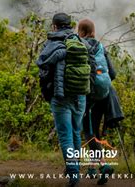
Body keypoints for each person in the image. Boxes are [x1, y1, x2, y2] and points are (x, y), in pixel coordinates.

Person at [36, 13, 90, 187]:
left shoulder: (52, 43)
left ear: (54, 26)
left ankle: (73, 174)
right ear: (70, 25)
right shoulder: (81, 42)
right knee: (75, 133)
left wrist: (47, 92)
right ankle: (74, 168)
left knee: (65, 136)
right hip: (80, 95)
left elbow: (42, 66)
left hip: (60, 96)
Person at [78, 18, 115, 185]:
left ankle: (104, 165)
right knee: (95, 132)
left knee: (88, 132)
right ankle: (93, 168)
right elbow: (112, 73)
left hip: (89, 94)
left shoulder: (80, 46)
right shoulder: (101, 47)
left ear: (82, 32)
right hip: (103, 93)